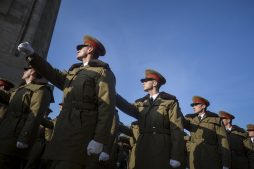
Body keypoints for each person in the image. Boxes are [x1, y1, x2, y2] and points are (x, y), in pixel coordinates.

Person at [18, 35, 116, 169]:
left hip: (81, 129)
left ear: (90, 49)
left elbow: (106, 107)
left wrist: (99, 139)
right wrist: (32, 55)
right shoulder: (73, 71)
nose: (77, 49)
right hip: (62, 127)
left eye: (81, 47)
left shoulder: (102, 72)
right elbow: (51, 73)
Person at [116, 69, 185, 169]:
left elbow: (177, 129)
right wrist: (114, 96)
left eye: (146, 80)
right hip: (143, 145)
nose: (142, 82)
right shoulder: (141, 103)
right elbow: (128, 108)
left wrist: (176, 156)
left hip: (162, 146)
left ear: (155, 83)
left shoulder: (170, 102)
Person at [0, 66, 53, 169]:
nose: (24, 71)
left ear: (33, 71)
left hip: (15, 135)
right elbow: (8, 97)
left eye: (26, 69)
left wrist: (24, 137)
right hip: (5, 131)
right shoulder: (21, 89)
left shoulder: (41, 90)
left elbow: (35, 115)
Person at [183, 96, 231, 169]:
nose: (193, 107)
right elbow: (179, 122)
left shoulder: (216, 119)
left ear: (203, 106)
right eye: (193, 105)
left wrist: (225, 163)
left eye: (195, 105)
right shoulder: (190, 118)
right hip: (194, 155)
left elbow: (223, 141)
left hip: (210, 156)